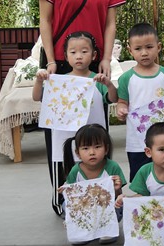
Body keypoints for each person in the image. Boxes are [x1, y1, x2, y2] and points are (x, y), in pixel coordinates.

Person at [34, 0, 125, 215]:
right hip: (59, 63)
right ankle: (63, 198)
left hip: (95, 66)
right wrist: (51, 60)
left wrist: (106, 59)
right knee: (61, 137)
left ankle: (98, 197)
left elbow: (110, 25)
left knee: (94, 135)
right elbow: (45, 22)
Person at [33, 31, 118, 216]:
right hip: (64, 139)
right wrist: (39, 81)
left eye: (84, 51)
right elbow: (37, 97)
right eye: (73, 52)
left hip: (93, 141)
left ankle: (96, 205)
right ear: (65, 56)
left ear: (94, 55)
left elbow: (113, 99)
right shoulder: (57, 81)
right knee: (65, 170)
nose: (78, 56)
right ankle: (63, 206)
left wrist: (109, 84)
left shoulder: (97, 80)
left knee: (95, 173)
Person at [115, 23, 164, 180]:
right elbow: (122, 102)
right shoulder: (126, 78)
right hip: (136, 141)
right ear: (130, 50)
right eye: (138, 49)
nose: (144, 53)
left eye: (149, 47)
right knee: (140, 179)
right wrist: (121, 110)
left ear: (158, 47)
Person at [115, 122, 164, 246]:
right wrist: (127, 199)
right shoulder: (145, 171)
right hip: (153, 212)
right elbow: (141, 196)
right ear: (148, 152)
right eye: (162, 150)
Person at [60, 124, 126, 245]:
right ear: (78, 153)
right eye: (85, 148)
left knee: (121, 202)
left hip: (106, 207)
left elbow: (117, 196)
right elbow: (72, 195)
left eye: (97, 147)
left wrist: (117, 189)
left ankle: (108, 229)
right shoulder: (76, 170)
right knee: (65, 204)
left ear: (106, 149)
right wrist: (65, 191)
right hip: (86, 209)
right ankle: (80, 229)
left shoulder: (112, 167)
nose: (92, 152)